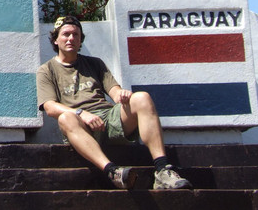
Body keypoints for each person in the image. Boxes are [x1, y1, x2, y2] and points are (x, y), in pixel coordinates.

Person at [36, 15, 192, 190]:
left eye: (76, 35)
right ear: (56, 40)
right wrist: (81, 113)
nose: (71, 38)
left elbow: (115, 91)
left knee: (142, 98)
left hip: (109, 119)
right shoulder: (46, 70)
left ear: (81, 40)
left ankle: (163, 171)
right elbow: (49, 107)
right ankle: (112, 171)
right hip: (81, 125)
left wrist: (122, 95)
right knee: (65, 118)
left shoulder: (95, 63)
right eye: (66, 34)